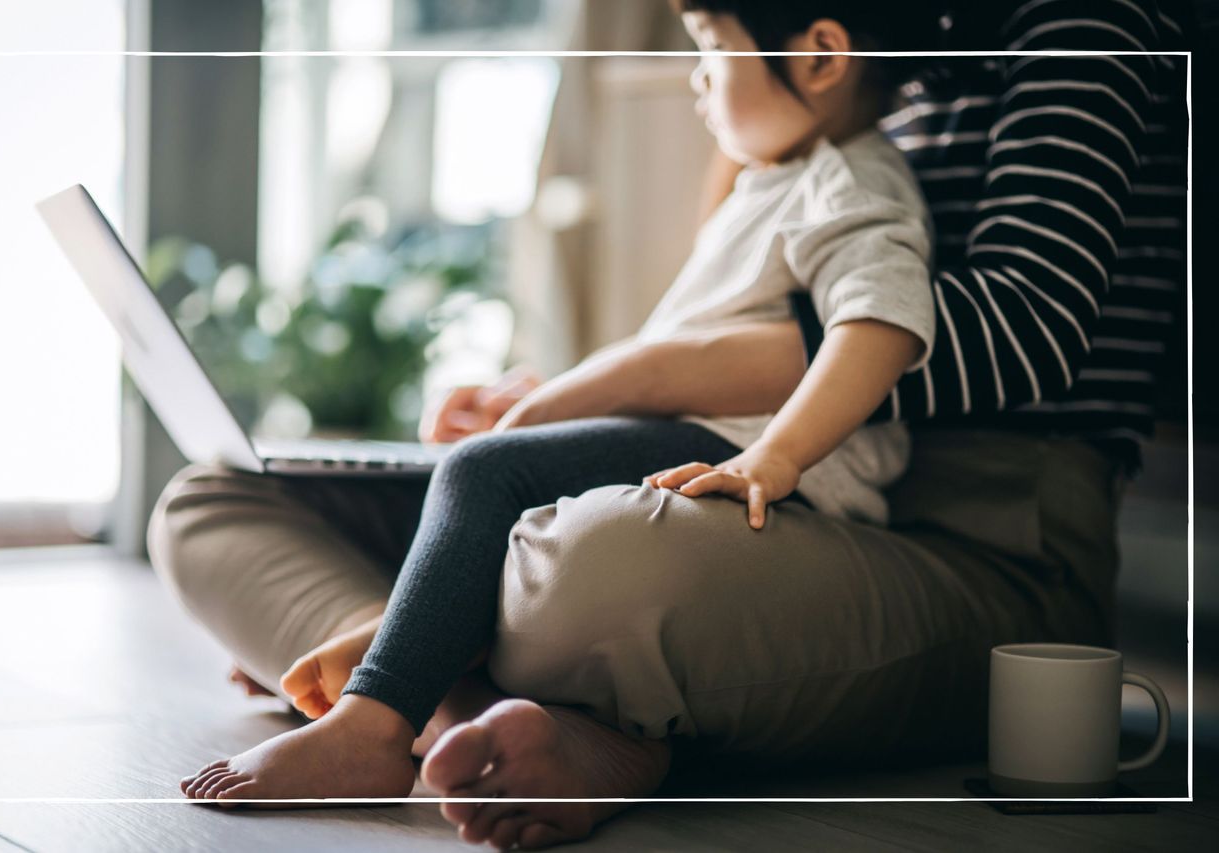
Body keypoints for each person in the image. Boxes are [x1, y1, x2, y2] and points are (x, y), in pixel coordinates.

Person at [152, 0, 1187, 848]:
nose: (698, 76)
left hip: (961, 531)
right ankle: (475, 713)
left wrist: (631, 392)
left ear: (821, 55)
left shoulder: (1050, 44)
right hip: (748, 475)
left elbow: (992, 327)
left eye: (707, 50)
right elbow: (731, 333)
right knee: (216, 497)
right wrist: (554, 397)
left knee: (582, 555)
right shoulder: (825, 112)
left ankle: (397, 686)